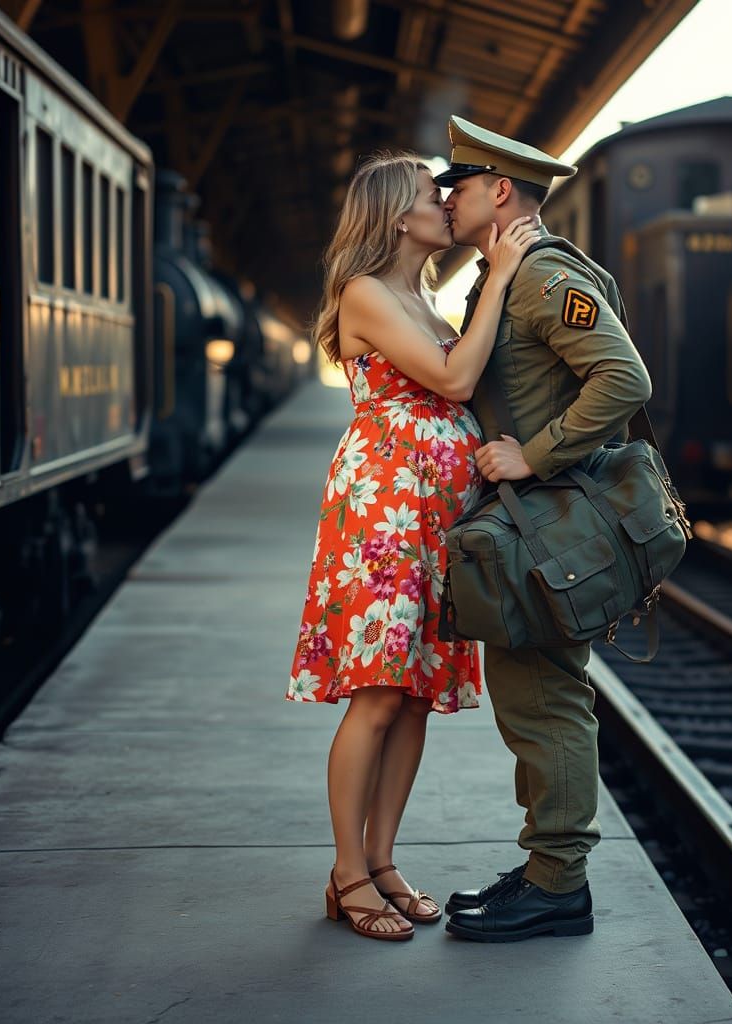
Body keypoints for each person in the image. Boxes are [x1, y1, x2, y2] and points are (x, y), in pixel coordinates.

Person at [286, 152, 541, 941]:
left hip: (434, 517)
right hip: (385, 516)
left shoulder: (422, 294)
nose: (446, 205)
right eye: (433, 197)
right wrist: (499, 274)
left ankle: (384, 858)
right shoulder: (364, 292)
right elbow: (454, 380)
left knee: (417, 692)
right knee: (377, 693)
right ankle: (346, 872)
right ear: (399, 217)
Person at [435, 116, 653, 942]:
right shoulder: (508, 273)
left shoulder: (537, 277)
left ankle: (559, 882)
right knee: (531, 696)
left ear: (499, 192)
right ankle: (544, 869)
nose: (447, 199)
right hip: (531, 529)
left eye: (459, 186)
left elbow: (623, 378)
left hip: (546, 524)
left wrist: (532, 455)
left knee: (546, 699)